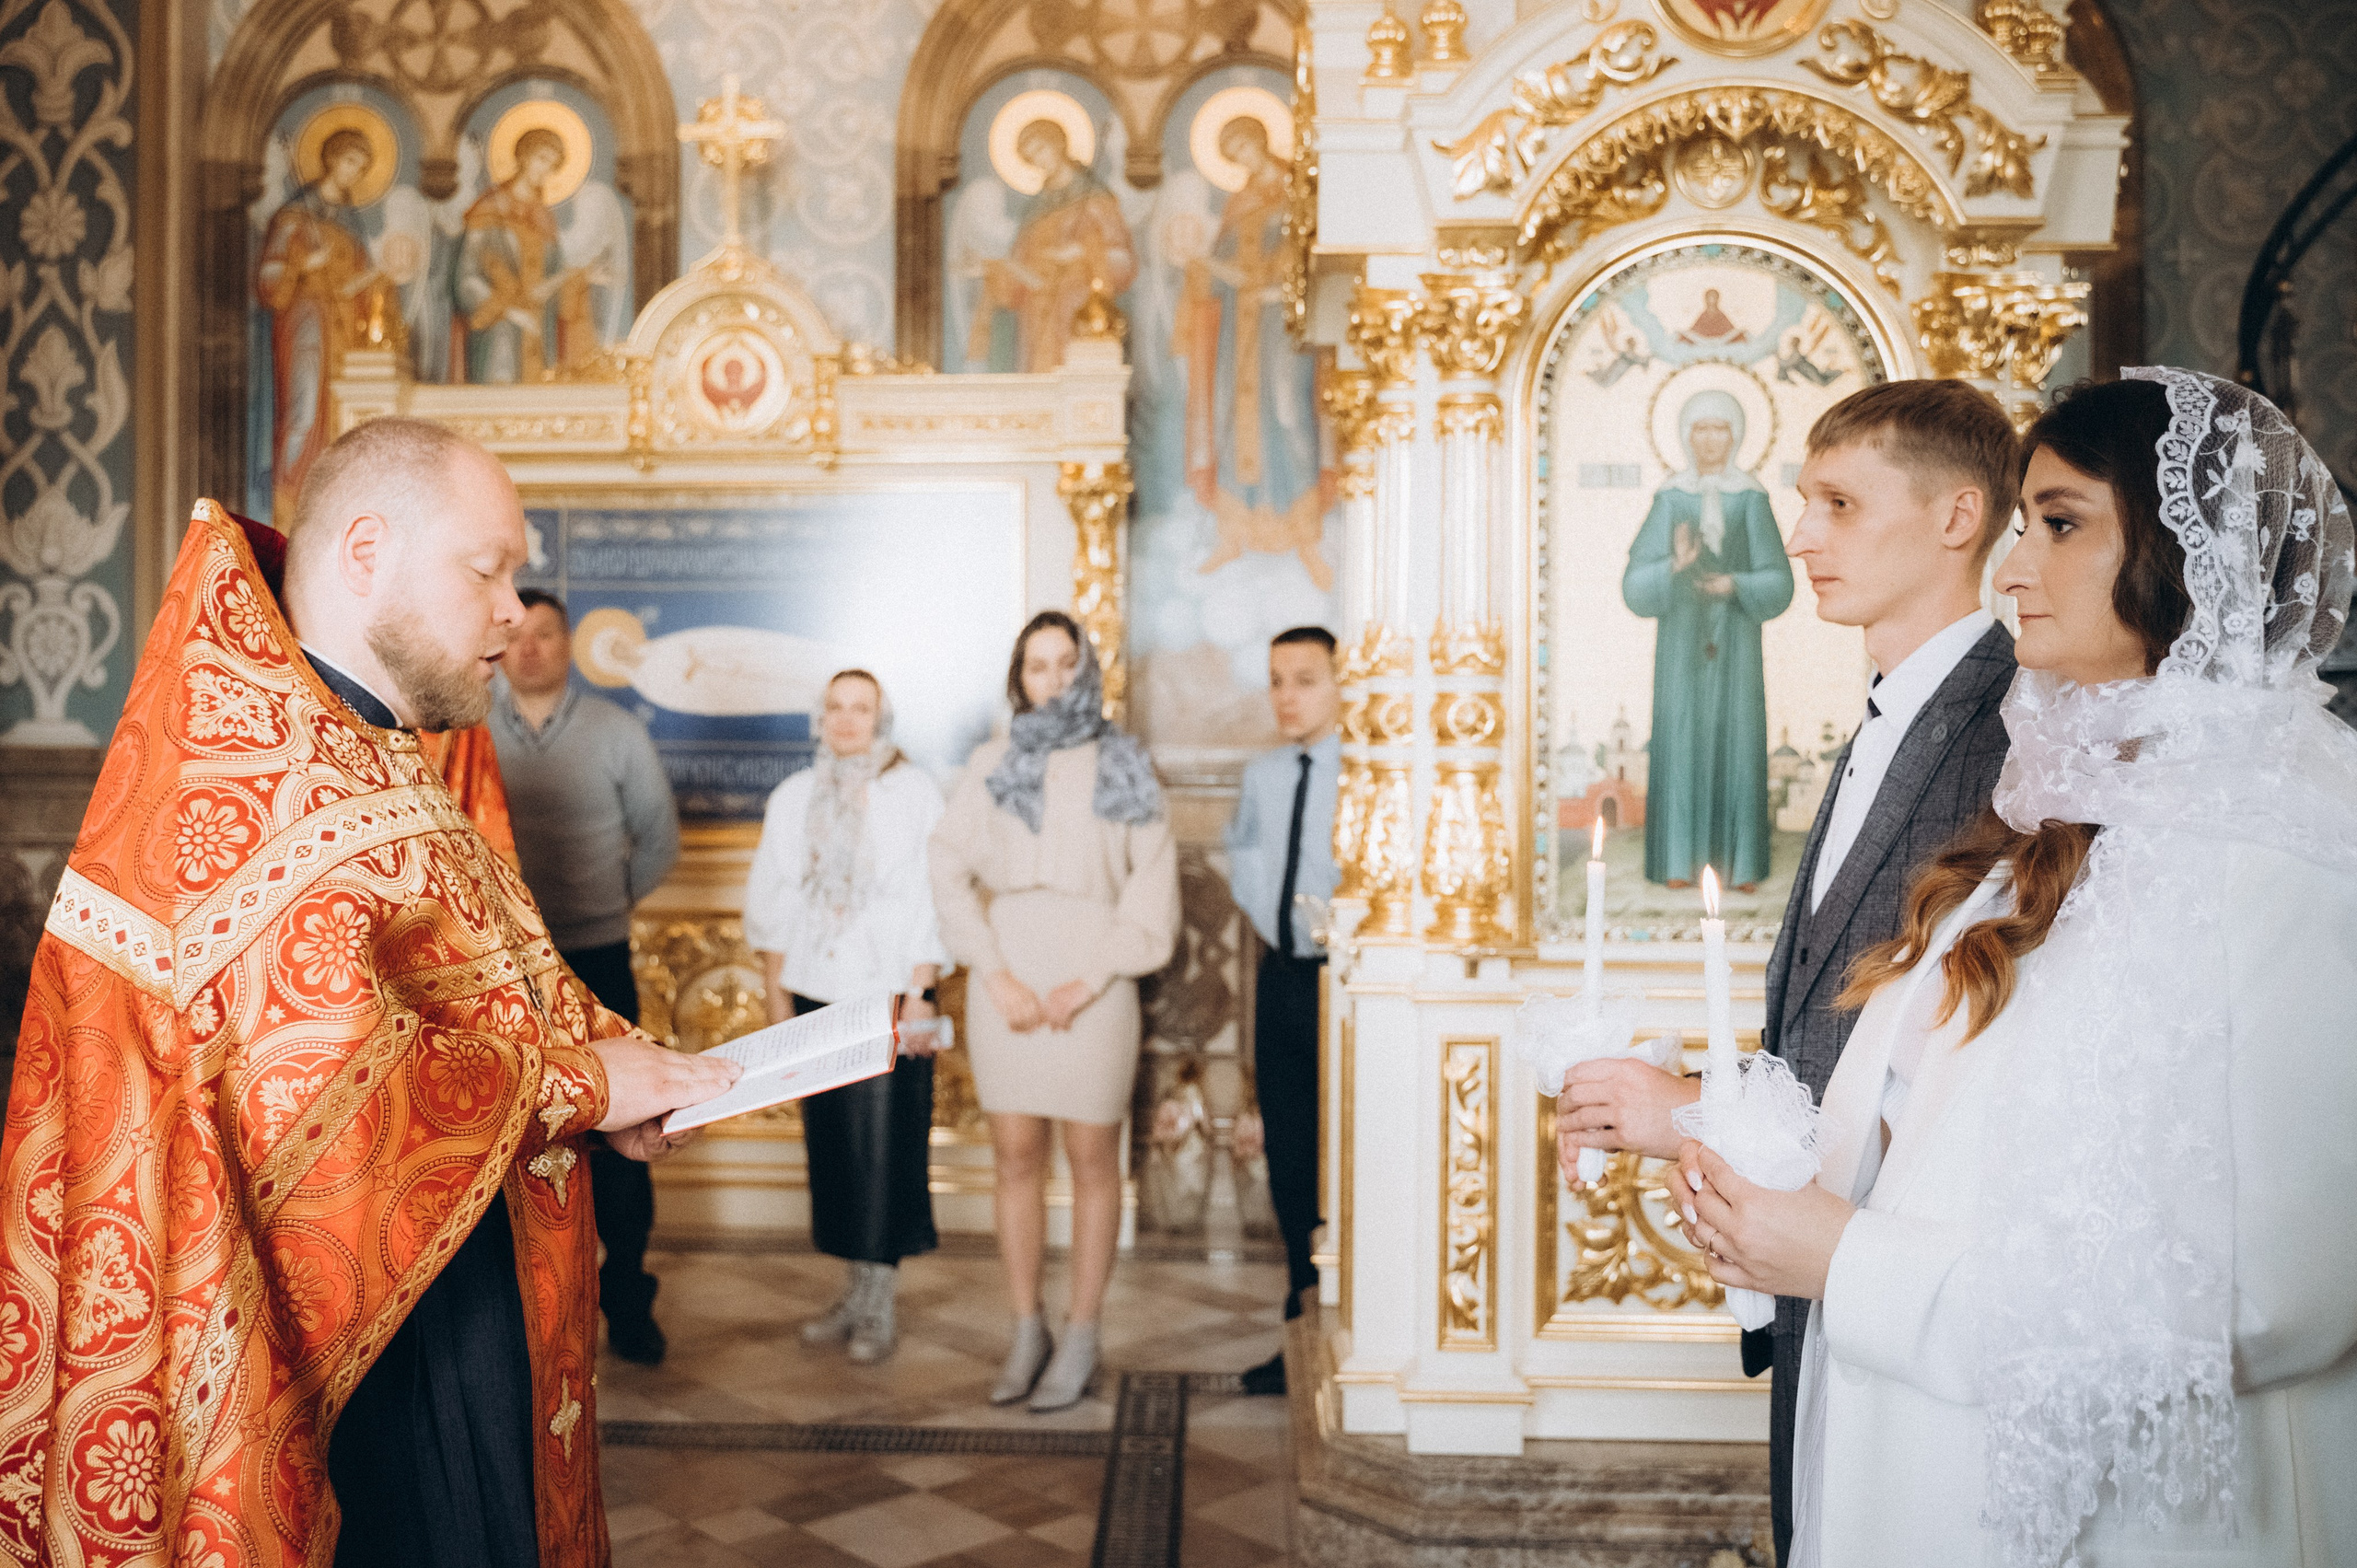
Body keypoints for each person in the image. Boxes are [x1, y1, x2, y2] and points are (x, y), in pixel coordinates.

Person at [0, 417, 739, 1566]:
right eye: (485, 568)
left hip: (451, 1301)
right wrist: (581, 1082)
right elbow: (311, 1073)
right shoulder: (248, 778)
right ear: (362, 554)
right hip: (345, 1358)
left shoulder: (378, 754)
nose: (515, 606)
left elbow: (487, 996)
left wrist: (604, 1080)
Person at [1680, 370, 2357, 1565]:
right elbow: (1924, 1121)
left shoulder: (2287, 854)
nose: (2013, 563)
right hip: (1931, 1464)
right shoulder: (2050, 821)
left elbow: (2269, 1295)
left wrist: (1849, 1262)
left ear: (2184, 547)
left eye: (2061, 522)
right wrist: (1727, 1148)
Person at [1561, 377, 2021, 1563]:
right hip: (1832, 1286)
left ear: (1957, 515)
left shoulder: (2004, 736)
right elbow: (1839, 1017)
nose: (1802, 535)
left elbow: (1957, 1061)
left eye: (1837, 503)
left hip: (1913, 1302)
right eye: (1801, 502)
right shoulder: (1894, 713)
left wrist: (1694, 1113)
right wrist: (1681, 1096)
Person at [930, 612, 1178, 1411]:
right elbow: (945, 862)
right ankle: (1026, 1325)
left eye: (1066, 663)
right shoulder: (991, 760)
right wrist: (992, 973)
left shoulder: (1125, 761)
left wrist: (1093, 977)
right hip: (1009, 970)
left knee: (1094, 1158)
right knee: (1014, 1155)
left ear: (1087, 670)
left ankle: (1082, 1330)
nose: (1052, 679)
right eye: (1036, 666)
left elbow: (1152, 885)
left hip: (1096, 974)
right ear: (1019, 677)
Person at [488, 587, 682, 1365]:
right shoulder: (465, 732)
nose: (530, 648)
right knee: (512, 1131)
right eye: (519, 635)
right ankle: (523, 1315)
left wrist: (609, 905)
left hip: (597, 956)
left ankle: (628, 1298)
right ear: (500, 645)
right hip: (502, 968)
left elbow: (659, 838)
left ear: (569, 646)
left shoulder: (617, 730)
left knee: (624, 1128)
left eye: (547, 635)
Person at [745, 669, 950, 1365]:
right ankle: (850, 1290)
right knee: (833, 1146)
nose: (847, 719)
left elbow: (931, 896)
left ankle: (879, 1301)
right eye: (836, 707)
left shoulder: (914, 792)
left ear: (882, 717)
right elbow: (771, 901)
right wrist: (777, 1003)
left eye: (862, 708)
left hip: (892, 992)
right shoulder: (795, 795)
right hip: (813, 985)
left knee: (885, 1147)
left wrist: (923, 993)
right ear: (820, 715)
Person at [1221, 626, 1341, 1396]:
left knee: (1342, 1156)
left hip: (1344, 977)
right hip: (1282, 976)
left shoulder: (1365, 772)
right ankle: (1297, 1329)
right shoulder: (1262, 775)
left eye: (1304, 678)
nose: (1286, 695)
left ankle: (1348, 1325)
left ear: (1341, 685)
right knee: (1291, 1161)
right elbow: (1246, 862)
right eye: (1275, 679)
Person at [1622, 389, 1796, 889]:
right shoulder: (1671, 498)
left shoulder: (1751, 498)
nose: (1711, 439)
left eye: (1721, 428)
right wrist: (1674, 565)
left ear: (1737, 436)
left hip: (1737, 642)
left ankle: (1741, 866)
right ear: (1684, 436)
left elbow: (1779, 581)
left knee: (1739, 739)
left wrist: (1736, 584)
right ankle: (1677, 863)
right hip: (1681, 642)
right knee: (1679, 737)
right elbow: (1634, 585)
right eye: (1701, 428)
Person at [254, 127, 401, 521]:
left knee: (339, 417)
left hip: (342, 333)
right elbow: (270, 281)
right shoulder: (293, 217)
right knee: (303, 411)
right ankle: (288, 509)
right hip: (305, 324)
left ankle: (329, 506)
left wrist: (377, 279)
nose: (354, 172)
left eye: (362, 167)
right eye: (350, 162)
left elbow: (354, 288)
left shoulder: (349, 225)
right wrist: (303, 264)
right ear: (331, 160)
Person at [970, 119, 1136, 373]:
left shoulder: (1094, 196)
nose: (1039, 160)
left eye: (1041, 149)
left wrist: (1081, 252)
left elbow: (1121, 256)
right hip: (1037, 312)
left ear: (1058, 144)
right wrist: (994, 269)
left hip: (1077, 302)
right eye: (1031, 157)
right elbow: (1019, 267)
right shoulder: (1034, 209)